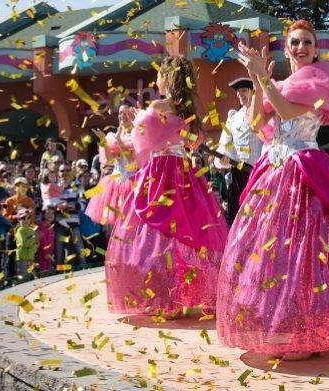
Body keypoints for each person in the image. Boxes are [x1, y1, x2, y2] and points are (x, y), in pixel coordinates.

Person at [218, 20, 329, 360]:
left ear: (315, 49)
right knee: (273, 254)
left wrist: (263, 77)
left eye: (307, 42)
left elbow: (284, 111)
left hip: (305, 169)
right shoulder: (279, 83)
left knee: (307, 252)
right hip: (274, 170)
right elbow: (257, 124)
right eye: (294, 42)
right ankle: (281, 325)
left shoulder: (320, 80)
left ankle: (308, 329)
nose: (300, 47)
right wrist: (256, 77)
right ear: (286, 48)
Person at [105, 56, 227, 318]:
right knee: (187, 231)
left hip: (160, 172)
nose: (157, 78)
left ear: (168, 77)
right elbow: (195, 142)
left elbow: (140, 145)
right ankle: (182, 296)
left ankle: (166, 299)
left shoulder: (159, 105)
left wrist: (137, 119)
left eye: (160, 73)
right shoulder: (189, 108)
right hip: (185, 172)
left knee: (157, 235)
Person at [214, 78, 264, 226]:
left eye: (243, 90)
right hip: (237, 177)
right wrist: (221, 160)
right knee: (238, 219)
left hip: (258, 174)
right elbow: (224, 146)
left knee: (259, 217)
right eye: (238, 91)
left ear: (253, 92)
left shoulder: (263, 113)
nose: (240, 94)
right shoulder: (233, 119)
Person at [85, 106, 139, 227]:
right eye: (120, 113)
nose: (122, 116)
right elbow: (111, 160)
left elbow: (131, 163)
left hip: (131, 183)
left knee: (130, 224)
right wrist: (103, 140)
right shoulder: (113, 137)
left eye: (125, 113)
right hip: (114, 184)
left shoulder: (137, 137)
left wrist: (120, 141)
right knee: (115, 225)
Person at [12, 208, 38, 278]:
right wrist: (33, 239)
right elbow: (24, 243)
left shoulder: (32, 230)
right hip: (21, 257)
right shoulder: (19, 230)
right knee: (22, 277)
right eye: (23, 218)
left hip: (30, 257)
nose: (26, 220)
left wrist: (33, 248)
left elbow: (36, 244)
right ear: (18, 220)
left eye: (28, 217)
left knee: (29, 276)